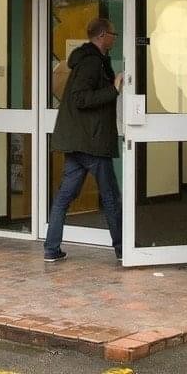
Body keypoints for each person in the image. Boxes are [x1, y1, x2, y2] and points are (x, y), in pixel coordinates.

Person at [44, 16, 123, 262]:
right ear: (102, 35)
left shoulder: (89, 60)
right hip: (91, 143)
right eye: (113, 34)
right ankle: (123, 249)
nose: (115, 38)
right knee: (111, 197)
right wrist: (114, 88)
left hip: (79, 142)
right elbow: (80, 98)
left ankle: (51, 249)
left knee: (64, 197)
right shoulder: (91, 62)